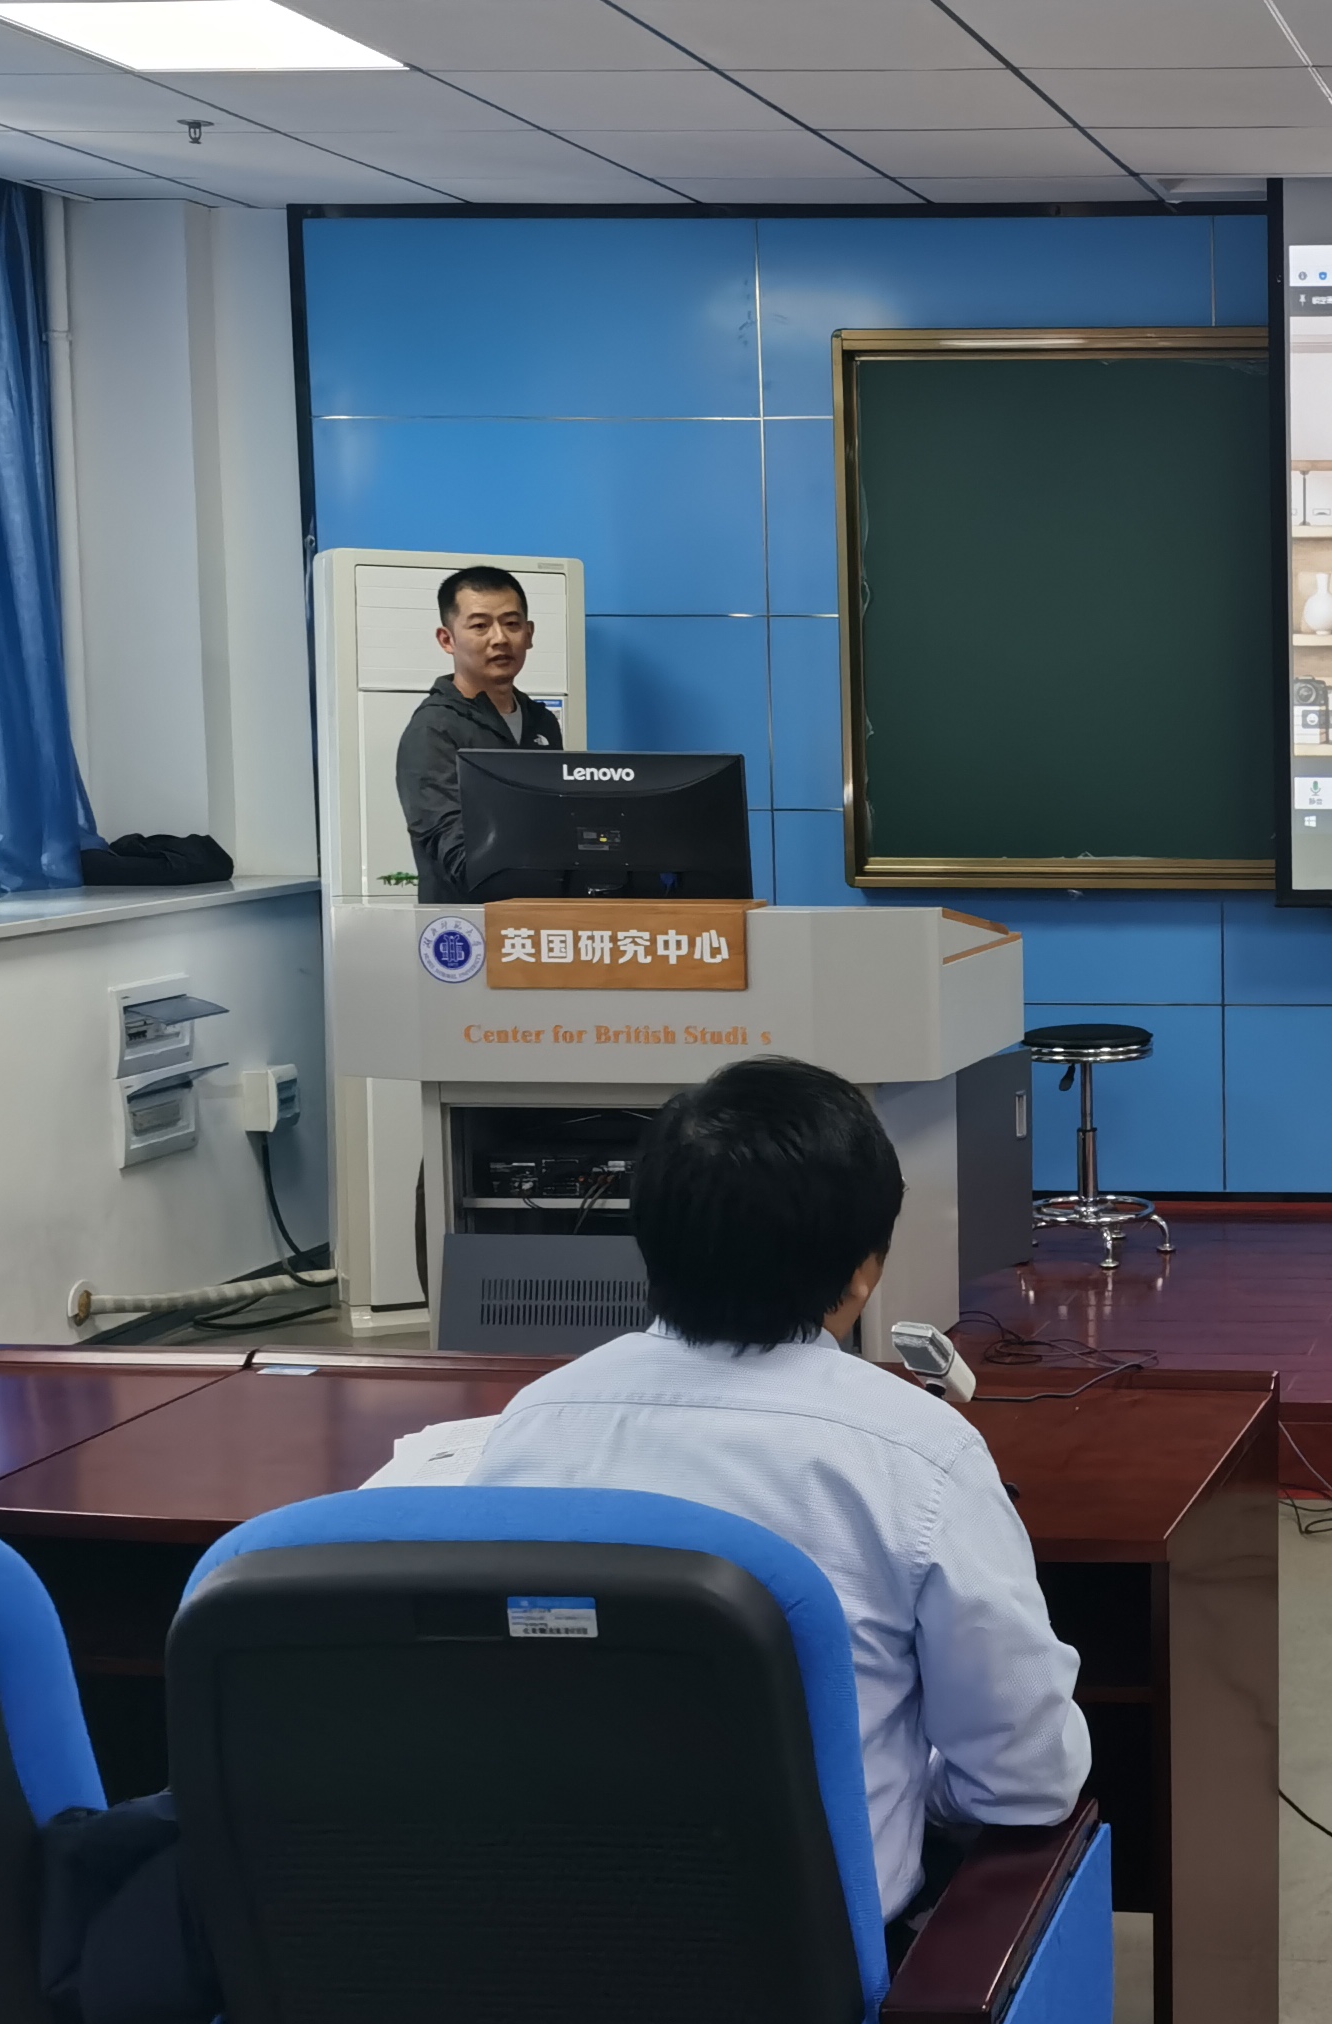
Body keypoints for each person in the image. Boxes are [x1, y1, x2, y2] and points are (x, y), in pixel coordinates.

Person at [465, 1056, 1090, 1915]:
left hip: (556, 1924)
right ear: (864, 1269)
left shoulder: (534, 1421)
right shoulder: (919, 1451)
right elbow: (1027, 1779)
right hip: (810, 1952)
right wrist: (919, 1790)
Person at [395, 564, 562, 901]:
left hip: (539, 916)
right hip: (465, 924)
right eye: (480, 626)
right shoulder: (433, 729)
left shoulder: (542, 722)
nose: (500, 639)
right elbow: (454, 852)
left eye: (511, 624)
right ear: (447, 640)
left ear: (529, 633)